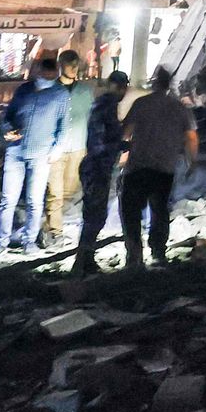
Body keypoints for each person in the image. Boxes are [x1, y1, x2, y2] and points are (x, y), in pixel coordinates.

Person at [119, 69, 195, 268]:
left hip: (138, 167)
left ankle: (135, 254)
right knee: (160, 210)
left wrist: (121, 151)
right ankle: (159, 252)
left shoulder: (141, 104)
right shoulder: (179, 108)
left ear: (154, 83)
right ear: (169, 84)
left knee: (131, 211)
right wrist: (191, 162)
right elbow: (192, 137)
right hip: (165, 169)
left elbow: (125, 133)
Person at [0, 57, 69, 251]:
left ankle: (29, 242)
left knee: (35, 201)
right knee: (7, 199)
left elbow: (63, 125)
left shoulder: (60, 94)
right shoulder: (24, 90)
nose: (47, 78)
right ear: (38, 72)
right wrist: (7, 129)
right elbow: (7, 115)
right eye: (45, 74)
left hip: (41, 153)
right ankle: (1, 242)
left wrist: (57, 148)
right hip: (16, 150)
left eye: (51, 75)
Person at [72, 71, 129, 276]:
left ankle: (86, 260)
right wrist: (120, 145)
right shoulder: (105, 105)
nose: (122, 92)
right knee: (94, 217)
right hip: (96, 168)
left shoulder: (106, 105)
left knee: (96, 216)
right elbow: (98, 143)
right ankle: (81, 263)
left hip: (98, 167)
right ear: (116, 86)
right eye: (121, 87)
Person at [43, 50, 95, 248]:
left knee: (69, 191)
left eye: (76, 65)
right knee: (55, 192)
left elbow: (90, 118)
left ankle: (49, 225)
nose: (73, 69)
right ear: (60, 65)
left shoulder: (85, 91)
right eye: (69, 65)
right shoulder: (51, 90)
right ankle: (55, 231)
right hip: (56, 148)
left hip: (78, 147)